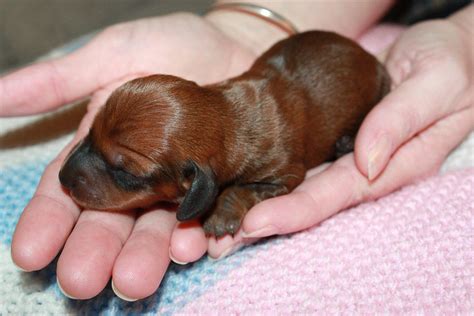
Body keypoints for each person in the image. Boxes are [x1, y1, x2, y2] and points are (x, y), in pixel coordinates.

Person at [2, 0, 472, 301]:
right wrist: (246, 20)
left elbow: (284, 175)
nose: (76, 170)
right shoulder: (210, 116)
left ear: (196, 186)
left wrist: (239, 197)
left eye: (124, 173)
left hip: (355, 74)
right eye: (93, 141)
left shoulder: (270, 151)